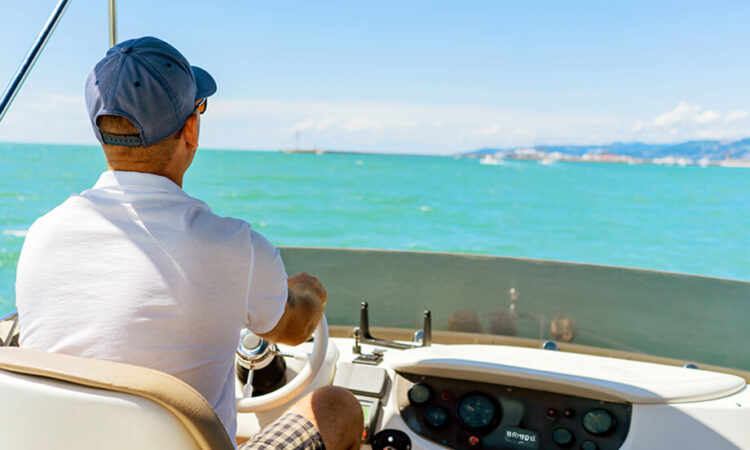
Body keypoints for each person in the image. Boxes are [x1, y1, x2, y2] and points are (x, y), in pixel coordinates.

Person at [15, 36, 362, 449]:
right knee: (336, 406)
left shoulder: (41, 235)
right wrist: (308, 294)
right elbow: (294, 328)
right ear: (191, 129)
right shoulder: (236, 247)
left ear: (100, 132)